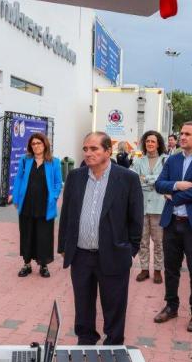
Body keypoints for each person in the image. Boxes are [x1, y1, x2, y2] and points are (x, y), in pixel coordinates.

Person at [58, 132, 143, 345]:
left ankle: (113, 343)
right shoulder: (75, 177)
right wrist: (63, 246)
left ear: (108, 151)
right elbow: (67, 214)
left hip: (113, 254)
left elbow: (136, 218)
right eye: (85, 149)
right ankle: (85, 340)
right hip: (81, 255)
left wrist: (129, 250)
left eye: (94, 149)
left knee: (114, 304)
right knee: (83, 303)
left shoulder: (127, 178)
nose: (88, 153)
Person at [153, 121, 192, 332]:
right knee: (171, 268)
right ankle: (171, 306)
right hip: (171, 223)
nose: (182, 137)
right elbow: (159, 184)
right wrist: (177, 185)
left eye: (187, 134)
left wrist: (174, 197)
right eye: (181, 133)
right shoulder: (172, 159)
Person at [10, 133, 63, 278]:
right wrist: (16, 198)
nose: (36, 146)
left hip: (45, 206)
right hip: (26, 203)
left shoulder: (54, 162)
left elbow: (59, 182)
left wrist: (54, 195)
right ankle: (26, 264)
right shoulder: (25, 160)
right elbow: (18, 179)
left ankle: (43, 265)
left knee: (44, 236)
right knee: (27, 234)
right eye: (33, 144)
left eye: (39, 143)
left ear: (45, 144)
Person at [131, 130, 168, 283]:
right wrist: (155, 182)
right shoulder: (139, 160)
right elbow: (133, 178)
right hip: (143, 205)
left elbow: (164, 179)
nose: (150, 144)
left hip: (160, 206)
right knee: (142, 240)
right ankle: (144, 269)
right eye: (147, 141)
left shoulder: (166, 160)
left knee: (159, 241)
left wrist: (146, 179)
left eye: (153, 141)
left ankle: (158, 270)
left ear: (158, 143)